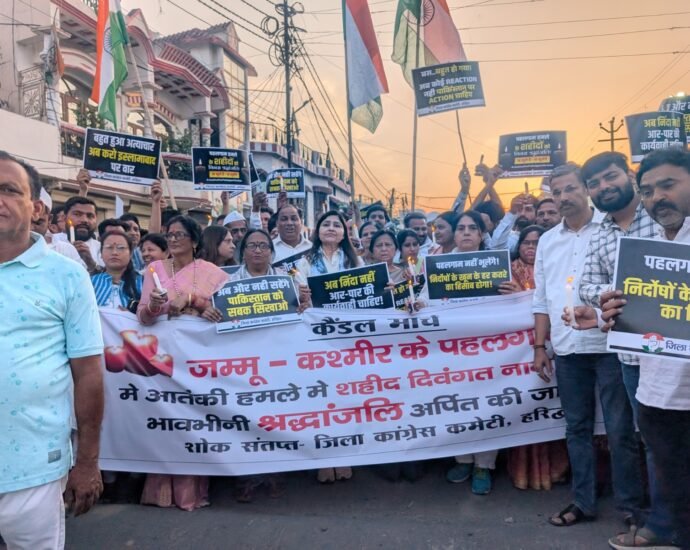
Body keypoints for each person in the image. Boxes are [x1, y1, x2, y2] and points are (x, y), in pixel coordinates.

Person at [571, 149, 690, 550]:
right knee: (658, 444)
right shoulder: (607, 232)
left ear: (626, 177)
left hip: (678, 363)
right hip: (639, 359)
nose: (659, 197)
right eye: (651, 189)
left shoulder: (663, 224)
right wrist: (613, 303)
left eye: (668, 185)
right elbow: (589, 285)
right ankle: (663, 523)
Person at [0, 152, 104, 548]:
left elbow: (88, 372)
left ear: (37, 207)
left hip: (33, 468)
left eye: (9, 190)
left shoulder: (66, 275)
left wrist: (88, 462)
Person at [531, 162, 644, 527]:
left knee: (620, 430)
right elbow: (541, 298)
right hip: (567, 348)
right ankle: (583, 502)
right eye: (556, 192)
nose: (563, 197)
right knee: (576, 429)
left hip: (611, 345)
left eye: (570, 188)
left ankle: (631, 508)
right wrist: (539, 346)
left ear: (586, 189)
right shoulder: (548, 241)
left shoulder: (611, 228)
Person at [136, 215, 229, 511]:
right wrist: (154, 306)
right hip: (165, 355)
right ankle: (161, 492)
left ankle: (192, 492)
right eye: (170, 235)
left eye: (179, 235)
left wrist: (194, 301)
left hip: (198, 356)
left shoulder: (212, 273)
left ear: (194, 240)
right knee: (168, 419)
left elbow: (225, 311)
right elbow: (143, 315)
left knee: (194, 420)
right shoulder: (155, 270)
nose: (173, 239)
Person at [498, 224, 570, 491]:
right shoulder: (505, 271)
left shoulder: (556, 268)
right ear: (519, 246)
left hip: (553, 346)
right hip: (517, 352)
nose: (531, 248)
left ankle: (555, 469)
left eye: (537, 243)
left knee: (550, 408)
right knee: (525, 409)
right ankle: (523, 472)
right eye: (527, 243)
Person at [435, 211, 499, 495]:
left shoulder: (495, 266)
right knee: (455, 407)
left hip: (488, 351)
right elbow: (425, 300)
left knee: (487, 408)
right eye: (461, 228)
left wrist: (513, 293)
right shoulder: (438, 266)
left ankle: (484, 465)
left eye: (473, 228)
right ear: (454, 233)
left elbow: (510, 306)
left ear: (481, 235)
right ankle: (462, 460)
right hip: (450, 352)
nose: (466, 232)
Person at [296, 210, 363, 483]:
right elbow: (299, 298)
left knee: (346, 400)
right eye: (326, 224)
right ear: (317, 231)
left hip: (347, 340)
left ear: (345, 233)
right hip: (316, 339)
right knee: (320, 401)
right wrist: (301, 297)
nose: (332, 228)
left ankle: (344, 457)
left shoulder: (354, 261)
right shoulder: (304, 261)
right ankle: (324, 459)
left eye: (337, 225)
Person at [91, 232, 142, 311]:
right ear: (101, 253)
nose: (114, 252)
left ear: (131, 253)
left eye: (121, 248)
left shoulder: (143, 282)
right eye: (109, 247)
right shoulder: (91, 282)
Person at [31, 188, 82, 263]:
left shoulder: (66, 250)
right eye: (25, 222)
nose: (31, 228)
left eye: (38, 223)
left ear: (49, 219)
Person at [58, 195, 103, 272]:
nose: (84, 220)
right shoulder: (51, 242)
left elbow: (109, 277)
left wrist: (90, 263)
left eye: (90, 216)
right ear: (64, 218)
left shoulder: (102, 249)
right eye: (77, 214)